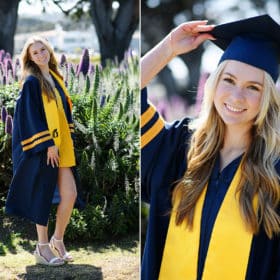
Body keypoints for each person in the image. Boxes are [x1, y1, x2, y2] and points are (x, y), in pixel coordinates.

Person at [141, 15, 280, 280]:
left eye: (253, 87)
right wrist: (168, 48)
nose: (237, 97)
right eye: (229, 80)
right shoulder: (177, 145)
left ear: (268, 98)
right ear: (214, 83)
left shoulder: (275, 171)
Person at [5, 36, 78, 266]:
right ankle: (42, 247)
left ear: (49, 51)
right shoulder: (31, 82)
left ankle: (58, 240)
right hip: (44, 148)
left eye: (42, 49)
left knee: (70, 194)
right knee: (42, 195)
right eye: (34, 53)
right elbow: (28, 117)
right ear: (29, 58)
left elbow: (63, 113)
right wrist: (47, 144)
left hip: (62, 145)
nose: (40, 54)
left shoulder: (55, 77)